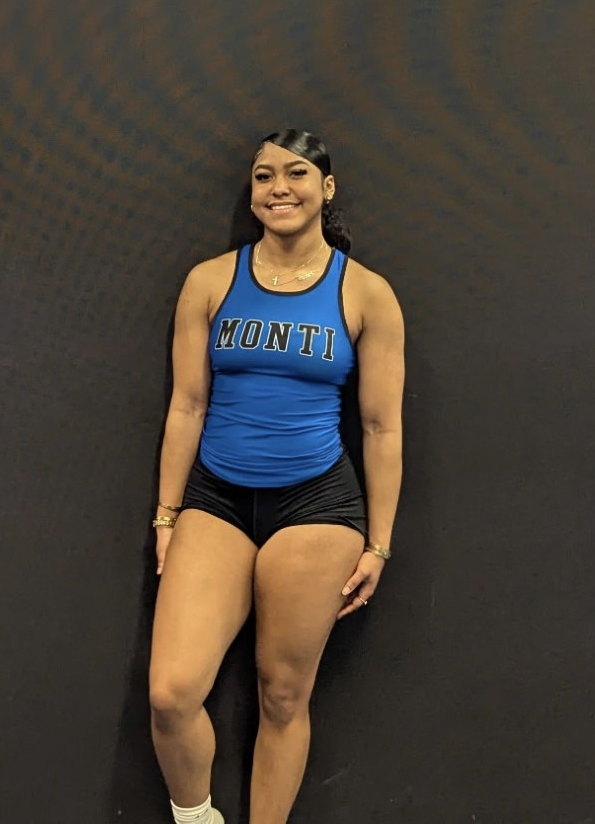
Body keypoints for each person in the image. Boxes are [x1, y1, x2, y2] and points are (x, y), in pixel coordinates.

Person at [146, 129, 406, 824]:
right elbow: (187, 403)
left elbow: (382, 428)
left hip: (317, 504)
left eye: (296, 174)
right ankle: (197, 816)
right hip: (218, 499)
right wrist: (167, 514)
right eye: (264, 176)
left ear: (326, 188)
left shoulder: (366, 294)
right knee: (171, 694)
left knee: (283, 696)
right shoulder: (209, 281)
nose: (279, 188)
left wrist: (378, 543)